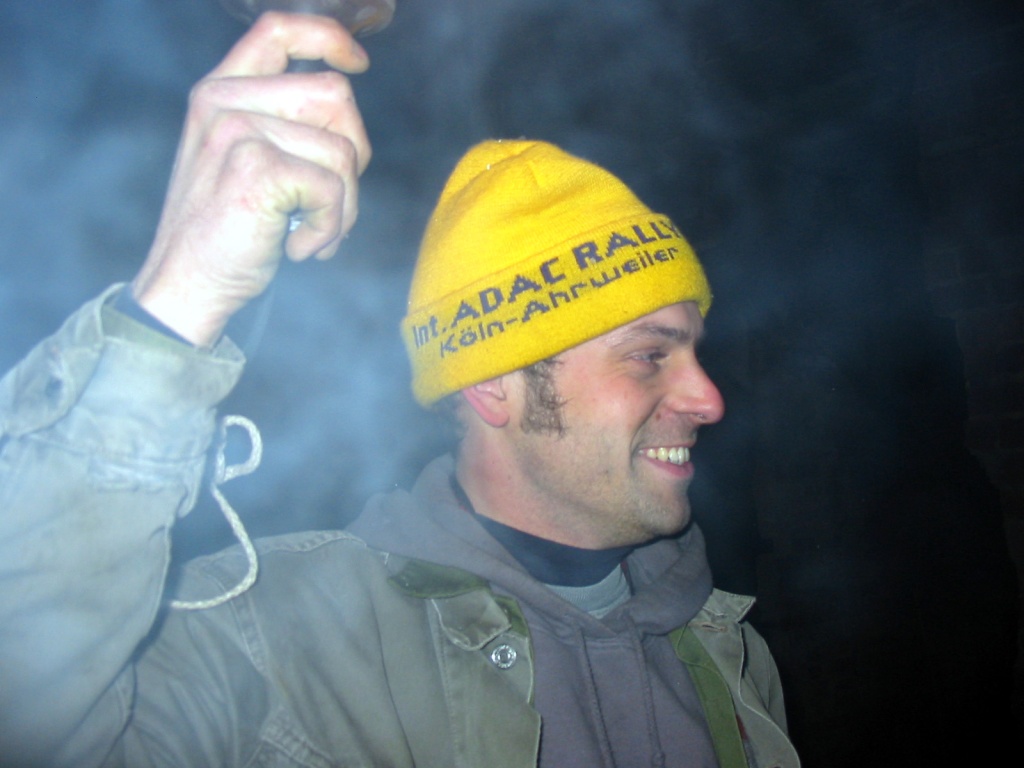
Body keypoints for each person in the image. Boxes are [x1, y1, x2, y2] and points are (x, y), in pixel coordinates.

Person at [0, 12, 799, 768]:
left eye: (694, 352)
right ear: (493, 387)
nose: (709, 399)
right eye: (650, 356)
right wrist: (175, 305)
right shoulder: (273, 639)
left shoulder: (729, 652)